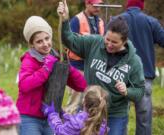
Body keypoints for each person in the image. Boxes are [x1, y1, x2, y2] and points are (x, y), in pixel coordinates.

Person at [57, 1, 145, 135]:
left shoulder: (134, 61)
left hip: (115, 115)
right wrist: (65, 21)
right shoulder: (94, 43)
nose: (109, 44)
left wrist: (127, 91)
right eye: (107, 39)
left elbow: (139, 91)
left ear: (124, 41)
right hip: (89, 110)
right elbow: (69, 40)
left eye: (114, 42)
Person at [16, 16, 87, 135]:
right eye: (39, 41)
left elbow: (82, 85)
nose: (45, 44)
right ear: (32, 44)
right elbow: (24, 85)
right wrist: (45, 68)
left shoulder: (56, 58)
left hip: (50, 117)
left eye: (47, 38)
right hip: (29, 118)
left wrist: (67, 68)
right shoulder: (29, 60)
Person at [118, 0, 164, 134]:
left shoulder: (117, 20)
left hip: (121, 76)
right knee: (144, 119)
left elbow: (105, 45)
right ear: (141, 5)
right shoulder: (151, 22)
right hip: (144, 77)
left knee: (119, 116)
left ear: (128, 4)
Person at [66, 0, 105, 114]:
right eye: (95, 5)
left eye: (100, 5)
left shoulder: (101, 22)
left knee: (92, 102)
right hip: (78, 67)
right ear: (87, 4)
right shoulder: (76, 20)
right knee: (75, 103)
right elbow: (70, 42)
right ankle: (68, 129)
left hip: (94, 67)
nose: (98, 8)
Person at [42, 85, 109, 135]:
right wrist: (64, 115)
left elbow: (60, 131)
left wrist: (52, 114)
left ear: (84, 101)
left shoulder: (77, 123)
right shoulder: (101, 123)